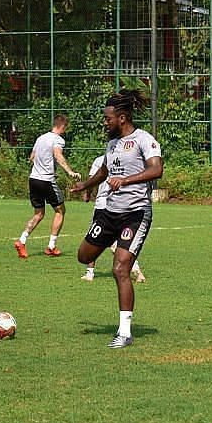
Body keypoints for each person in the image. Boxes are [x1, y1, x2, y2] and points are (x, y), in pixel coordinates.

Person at [70, 89, 163, 349]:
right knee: (84, 256)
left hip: (135, 214)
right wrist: (84, 186)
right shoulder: (112, 144)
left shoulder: (144, 139)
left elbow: (157, 169)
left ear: (122, 118)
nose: (105, 122)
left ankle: (125, 332)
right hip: (109, 213)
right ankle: (123, 332)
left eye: (108, 118)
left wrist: (127, 180)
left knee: (120, 268)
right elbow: (104, 171)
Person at [14, 114, 80, 258]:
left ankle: (22, 240)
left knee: (39, 214)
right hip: (46, 181)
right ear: (62, 126)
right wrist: (70, 171)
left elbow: (32, 157)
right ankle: (51, 246)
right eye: (65, 128)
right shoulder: (58, 140)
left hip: (34, 179)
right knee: (60, 210)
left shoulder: (41, 138)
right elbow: (58, 155)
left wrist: (43, 166)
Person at [81, 155, 145, 283]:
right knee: (122, 240)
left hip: (103, 205)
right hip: (123, 205)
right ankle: (135, 267)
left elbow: (93, 180)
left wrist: (87, 194)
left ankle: (90, 273)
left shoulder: (99, 160)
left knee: (94, 238)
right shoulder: (129, 159)